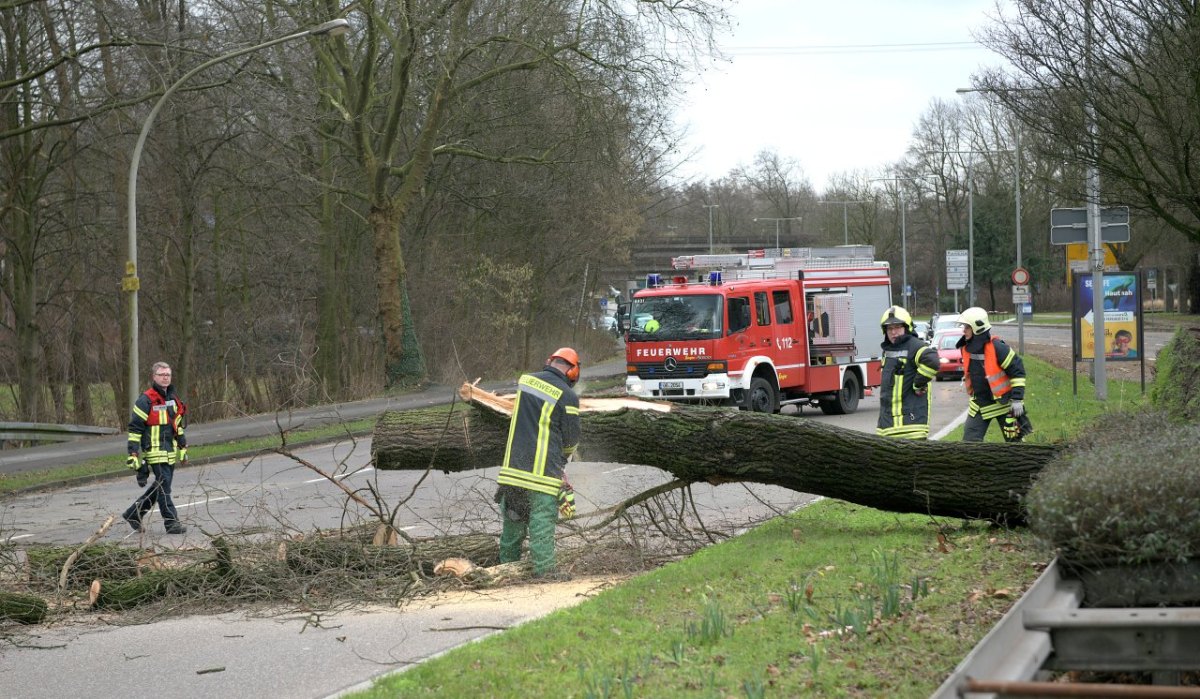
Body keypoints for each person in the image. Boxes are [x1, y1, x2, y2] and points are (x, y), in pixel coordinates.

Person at [494, 347, 582, 579]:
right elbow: (571, 439)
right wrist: (565, 457)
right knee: (541, 524)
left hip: (513, 472)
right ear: (573, 372)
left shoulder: (526, 381)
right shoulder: (568, 395)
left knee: (513, 525)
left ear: (550, 361)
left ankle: (504, 571)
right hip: (542, 475)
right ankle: (545, 572)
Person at [123, 361, 189, 534]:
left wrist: (182, 448)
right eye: (161, 375)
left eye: (168, 374)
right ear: (154, 377)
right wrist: (133, 453)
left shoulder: (173, 399)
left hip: (169, 451)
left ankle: (134, 513)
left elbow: (178, 426)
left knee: (160, 487)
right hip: (154, 451)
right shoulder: (145, 401)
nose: (165, 378)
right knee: (164, 488)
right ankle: (171, 523)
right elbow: (135, 430)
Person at [955, 308, 1030, 442]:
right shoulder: (966, 348)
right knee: (969, 444)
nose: (963, 330)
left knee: (1015, 445)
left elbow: (1017, 371)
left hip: (1004, 404)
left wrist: (1017, 399)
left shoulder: (998, 348)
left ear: (977, 327)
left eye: (967, 327)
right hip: (980, 403)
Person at [876, 306, 940, 439]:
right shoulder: (888, 350)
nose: (893, 332)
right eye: (889, 328)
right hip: (888, 426)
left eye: (897, 327)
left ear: (906, 327)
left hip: (911, 426)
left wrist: (918, 384)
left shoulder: (915, 346)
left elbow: (932, 361)